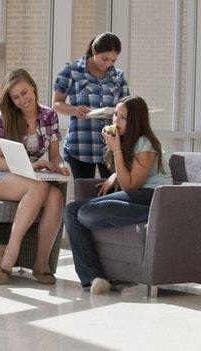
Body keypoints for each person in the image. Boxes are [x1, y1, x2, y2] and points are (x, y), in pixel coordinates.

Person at [64, 95, 171, 295]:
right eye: (115, 115)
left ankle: (149, 216)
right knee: (71, 211)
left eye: (123, 117)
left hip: (153, 200)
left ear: (136, 120)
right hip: (137, 196)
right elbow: (128, 178)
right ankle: (95, 277)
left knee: (86, 213)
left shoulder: (145, 143)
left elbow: (131, 186)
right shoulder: (128, 141)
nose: (116, 121)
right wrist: (114, 173)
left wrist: (117, 151)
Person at [0, 69, 69, 285]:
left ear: (33, 87)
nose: (22, 100)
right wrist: (30, 165)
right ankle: (11, 251)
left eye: (24, 93)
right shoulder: (4, 117)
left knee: (55, 196)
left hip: (31, 178)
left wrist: (61, 166)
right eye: (15, 97)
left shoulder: (49, 116)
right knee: (39, 188)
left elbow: (56, 156)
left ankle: (41, 264)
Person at [53, 32, 130, 179]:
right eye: (104, 59)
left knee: (111, 195)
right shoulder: (71, 70)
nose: (108, 64)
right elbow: (57, 104)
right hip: (81, 146)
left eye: (113, 61)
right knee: (83, 195)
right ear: (94, 51)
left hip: (111, 146)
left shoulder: (119, 77)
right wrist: (74, 110)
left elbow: (125, 107)